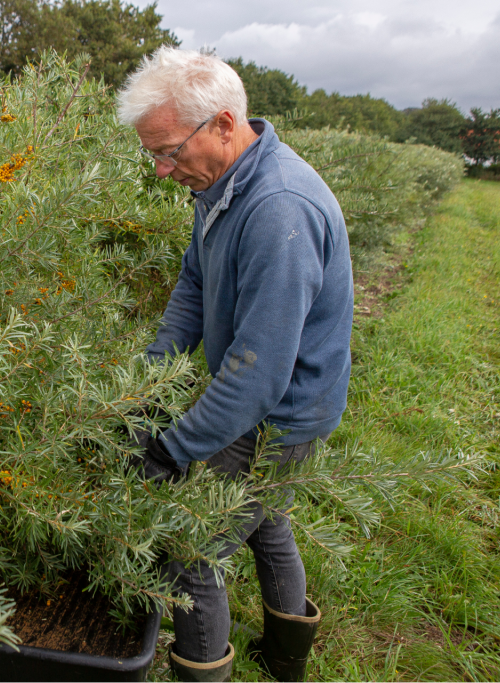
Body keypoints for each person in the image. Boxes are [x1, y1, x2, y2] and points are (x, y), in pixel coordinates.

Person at [117, 47, 354, 683]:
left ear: (224, 124)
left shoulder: (279, 208)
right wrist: (144, 382)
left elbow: (257, 372)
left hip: (278, 414)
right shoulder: (220, 182)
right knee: (267, 522)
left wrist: (171, 449)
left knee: (195, 554)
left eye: (170, 151)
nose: (164, 170)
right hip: (259, 394)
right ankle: (286, 662)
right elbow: (193, 286)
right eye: (153, 156)